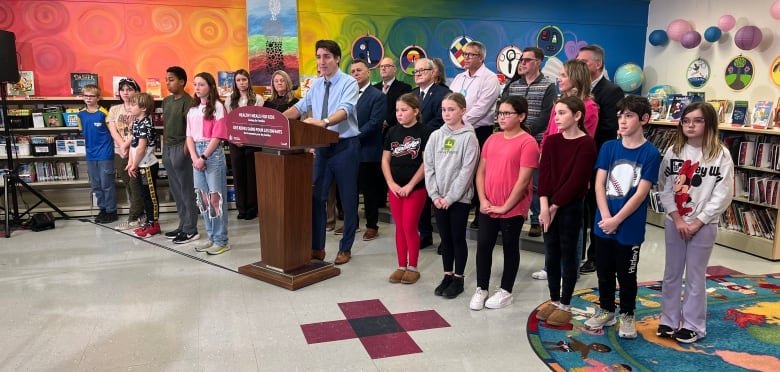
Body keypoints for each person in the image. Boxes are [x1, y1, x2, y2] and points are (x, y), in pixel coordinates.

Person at [583, 95, 661, 339]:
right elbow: (598, 184)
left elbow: (640, 194)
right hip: (603, 223)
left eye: (629, 115)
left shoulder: (651, 153)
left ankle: (627, 313)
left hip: (629, 227)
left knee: (626, 274)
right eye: (620, 115)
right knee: (604, 271)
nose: (622, 121)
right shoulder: (609, 147)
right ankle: (606, 309)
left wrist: (617, 220)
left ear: (644, 119)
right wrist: (606, 216)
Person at [657, 102, 733, 344]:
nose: (690, 125)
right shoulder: (674, 151)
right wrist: (677, 218)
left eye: (697, 120)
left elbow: (723, 193)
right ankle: (668, 319)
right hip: (675, 222)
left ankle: (693, 325)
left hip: (704, 225)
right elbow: (664, 186)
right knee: (672, 272)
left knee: (695, 275)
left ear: (708, 123)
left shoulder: (720, 154)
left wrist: (698, 221)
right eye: (686, 120)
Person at [283, 39, 360, 265]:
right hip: (322, 150)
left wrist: (324, 122)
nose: (322, 61)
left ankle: (345, 248)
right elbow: (299, 108)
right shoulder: (315, 84)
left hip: (345, 147)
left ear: (337, 58)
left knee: (347, 199)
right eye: (318, 57)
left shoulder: (349, 83)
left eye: (326, 56)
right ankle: (317, 247)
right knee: (316, 197)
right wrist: (274, 120)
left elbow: (345, 110)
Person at [469, 96, 538, 311]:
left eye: (507, 113)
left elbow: (523, 180)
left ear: (521, 116)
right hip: (488, 205)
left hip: (512, 207)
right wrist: (483, 199)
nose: (502, 117)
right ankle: (481, 288)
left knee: (510, 247)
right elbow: (480, 172)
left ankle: (506, 290)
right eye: (500, 113)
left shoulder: (528, 142)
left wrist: (506, 206)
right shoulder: (492, 139)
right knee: (484, 247)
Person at [534, 96, 597, 325]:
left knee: (568, 254)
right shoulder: (551, 141)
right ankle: (553, 299)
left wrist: (554, 206)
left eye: (562, 113)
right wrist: (543, 206)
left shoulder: (586, 143)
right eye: (555, 114)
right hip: (548, 206)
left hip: (570, 207)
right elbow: (545, 175)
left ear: (577, 115)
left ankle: (565, 303)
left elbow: (578, 180)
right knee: (550, 253)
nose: (557, 118)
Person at [501, 46, 557, 253]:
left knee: (534, 183)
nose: (522, 63)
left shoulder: (549, 86)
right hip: (511, 142)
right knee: (513, 180)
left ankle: (535, 219)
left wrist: (524, 132)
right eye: (521, 60)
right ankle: (515, 213)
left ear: (538, 62)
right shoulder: (513, 85)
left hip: (535, 142)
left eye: (527, 60)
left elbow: (547, 114)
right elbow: (503, 109)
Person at [424, 92, 480, 299]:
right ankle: (447, 275)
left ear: (462, 111)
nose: (446, 113)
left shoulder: (469, 138)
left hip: (459, 200)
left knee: (457, 238)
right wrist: (435, 194)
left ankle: (458, 278)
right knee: (445, 239)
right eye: (444, 109)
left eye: (451, 109)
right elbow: (428, 166)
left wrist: (450, 198)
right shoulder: (436, 136)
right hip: (438, 198)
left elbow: (467, 172)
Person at [578, 44, 625, 274]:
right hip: (579, 159)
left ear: (598, 64)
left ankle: (595, 256)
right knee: (581, 210)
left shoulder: (611, 91)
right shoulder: (576, 91)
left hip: (597, 158)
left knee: (596, 207)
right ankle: (577, 252)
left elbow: (608, 128)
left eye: (585, 62)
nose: (581, 66)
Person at [448, 40, 500, 229]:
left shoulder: (489, 78)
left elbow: (482, 108)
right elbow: (449, 101)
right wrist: (453, 124)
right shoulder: (459, 78)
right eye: (465, 54)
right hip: (455, 130)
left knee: (478, 172)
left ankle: (480, 212)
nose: (466, 58)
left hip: (478, 131)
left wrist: (460, 123)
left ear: (482, 57)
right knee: (456, 170)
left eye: (471, 55)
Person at [383, 93, 432, 284]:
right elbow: (385, 160)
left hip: (416, 188)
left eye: (404, 110)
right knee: (399, 228)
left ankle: (413, 266)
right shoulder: (392, 132)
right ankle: (401, 264)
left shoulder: (425, 132)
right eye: (397, 110)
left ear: (416, 111)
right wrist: (391, 184)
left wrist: (411, 185)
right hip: (395, 188)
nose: (399, 114)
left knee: (410, 226)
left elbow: (426, 162)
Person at [186, 72, 230, 255]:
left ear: (210, 87)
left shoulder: (218, 107)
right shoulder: (192, 110)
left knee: (215, 198)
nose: (197, 88)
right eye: (195, 84)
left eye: (201, 84)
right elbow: (189, 136)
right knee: (203, 198)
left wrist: (203, 157)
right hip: (196, 153)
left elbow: (218, 136)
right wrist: (195, 158)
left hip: (212, 155)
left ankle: (221, 240)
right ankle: (211, 237)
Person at [411, 57, 451, 250]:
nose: (417, 73)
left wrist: (418, 131)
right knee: (421, 196)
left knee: (439, 194)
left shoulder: (444, 93)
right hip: (415, 151)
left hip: (438, 150)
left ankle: (446, 239)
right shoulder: (412, 95)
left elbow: (442, 120)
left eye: (422, 70)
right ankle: (425, 234)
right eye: (415, 71)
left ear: (434, 72)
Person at [346, 59, 386, 241]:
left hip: (367, 150)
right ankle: (351, 224)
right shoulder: (346, 95)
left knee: (369, 192)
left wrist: (354, 135)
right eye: (353, 71)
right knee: (349, 189)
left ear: (368, 72)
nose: (355, 73)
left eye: (359, 70)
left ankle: (372, 225)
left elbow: (375, 123)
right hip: (347, 150)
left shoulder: (377, 96)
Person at [161, 66, 199, 244]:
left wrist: (186, 148)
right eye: (167, 79)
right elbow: (166, 126)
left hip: (181, 147)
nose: (168, 82)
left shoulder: (189, 101)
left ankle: (191, 228)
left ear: (182, 81)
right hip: (168, 147)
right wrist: (164, 148)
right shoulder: (166, 101)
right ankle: (182, 224)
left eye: (172, 79)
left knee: (186, 189)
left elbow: (190, 128)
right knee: (176, 190)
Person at [225, 68, 264, 220]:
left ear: (249, 81)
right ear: (235, 83)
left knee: (252, 176)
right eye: (238, 80)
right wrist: (234, 139)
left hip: (253, 142)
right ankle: (242, 209)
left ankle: (252, 209)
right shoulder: (229, 100)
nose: (241, 83)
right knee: (238, 175)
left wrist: (249, 138)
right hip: (235, 142)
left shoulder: (258, 99)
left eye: (244, 80)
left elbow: (259, 122)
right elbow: (228, 123)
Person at [107, 78, 144, 230]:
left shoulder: (139, 108)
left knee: (135, 185)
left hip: (135, 151)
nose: (126, 92)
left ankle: (133, 218)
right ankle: (139, 214)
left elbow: (139, 129)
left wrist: (126, 145)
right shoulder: (114, 109)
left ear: (136, 91)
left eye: (129, 89)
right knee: (128, 185)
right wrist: (122, 145)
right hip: (119, 152)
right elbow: (112, 128)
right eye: (123, 89)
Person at [77, 84, 117, 223]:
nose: (88, 98)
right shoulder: (80, 114)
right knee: (96, 185)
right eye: (85, 95)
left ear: (98, 98)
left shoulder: (104, 113)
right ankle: (103, 209)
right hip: (90, 155)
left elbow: (113, 132)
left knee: (107, 184)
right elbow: (83, 132)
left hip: (105, 154)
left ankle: (112, 211)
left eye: (91, 96)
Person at [125, 93, 161, 238]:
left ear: (143, 108)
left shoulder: (146, 123)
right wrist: (130, 163)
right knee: (144, 195)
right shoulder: (136, 123)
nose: (130, 107)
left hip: (147, 165)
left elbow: (141, 148)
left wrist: (134, 164)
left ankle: (154, 223)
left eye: (133, 105)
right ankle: (148, 221)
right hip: (139, 165)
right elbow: (133, 146)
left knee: (150, 196)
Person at [542, 60, 598, 144]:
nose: (558, 79)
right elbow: (548, 132)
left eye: (563, 76)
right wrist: (543, 151)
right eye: (559, 75)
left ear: (576, 78)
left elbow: (585, 139)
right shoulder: (558, 103)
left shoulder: (589, 106)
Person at [374, 57, 412, 132]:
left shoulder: (404, 88)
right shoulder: (374, 89)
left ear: (394, 69)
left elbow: (403, 109)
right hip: (374, 132)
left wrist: (386, 122)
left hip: (394, 130)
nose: (383, 68)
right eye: (381, 66)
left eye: (387, 66)